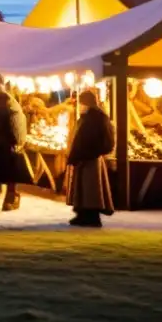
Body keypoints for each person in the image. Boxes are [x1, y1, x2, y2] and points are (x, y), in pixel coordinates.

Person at [67, 90, 115, 228]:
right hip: (85, 156)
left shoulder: (96, 117)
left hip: (90, 157)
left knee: (90, 189)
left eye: (81, 102)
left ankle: (91, 216)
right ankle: (82, 214)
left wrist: (84, 153)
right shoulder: (92, 116)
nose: (80, 105)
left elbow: (96, 139)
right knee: (84, 188)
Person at [0, 90, 30, 211]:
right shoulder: (14, 113)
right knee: (11, 179)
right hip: (7, 151)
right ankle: (9, 202)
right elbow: (18, 135)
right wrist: (18, 143)